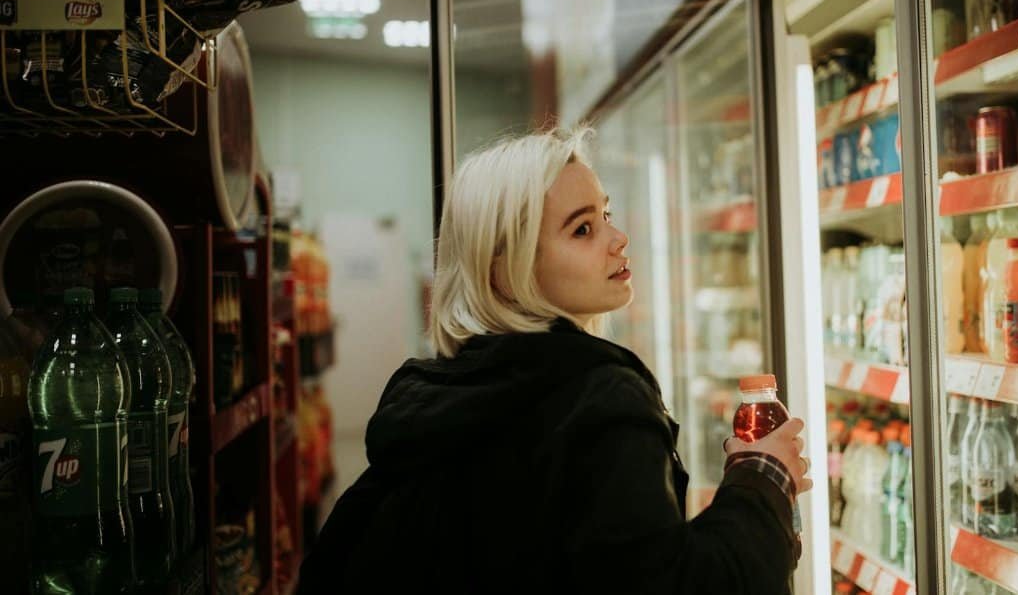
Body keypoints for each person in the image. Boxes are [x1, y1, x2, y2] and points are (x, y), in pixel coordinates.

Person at [297, 128, 812, 594]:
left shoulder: (435, 394)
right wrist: (761, 479)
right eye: (582, 229)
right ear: (504, 269)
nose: (618, 238)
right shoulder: (600, 397)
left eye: (604, 215)